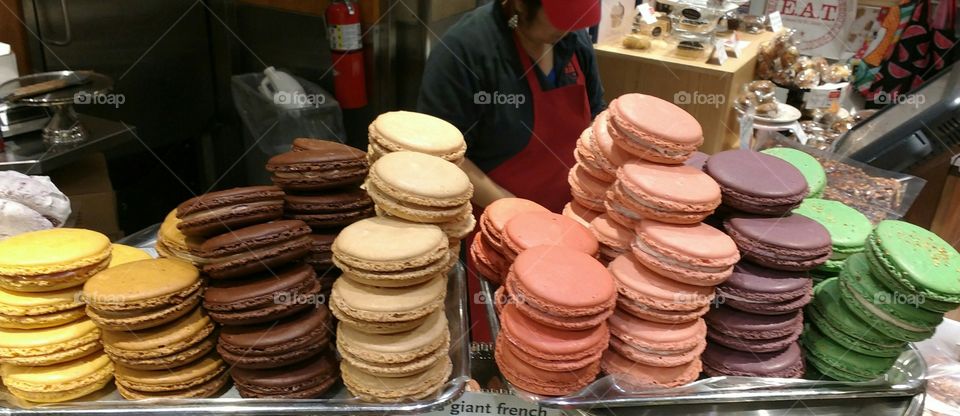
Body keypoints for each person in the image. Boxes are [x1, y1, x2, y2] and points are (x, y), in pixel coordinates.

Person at [418, 0, 606, 212]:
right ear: (521, 4)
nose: (570, 28)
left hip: (566, 214)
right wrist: (516, 212)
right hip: (492, 220)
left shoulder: (573, 38)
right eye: (560, 17)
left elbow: (595, 112)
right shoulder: (465, 50)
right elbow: (443, 155)